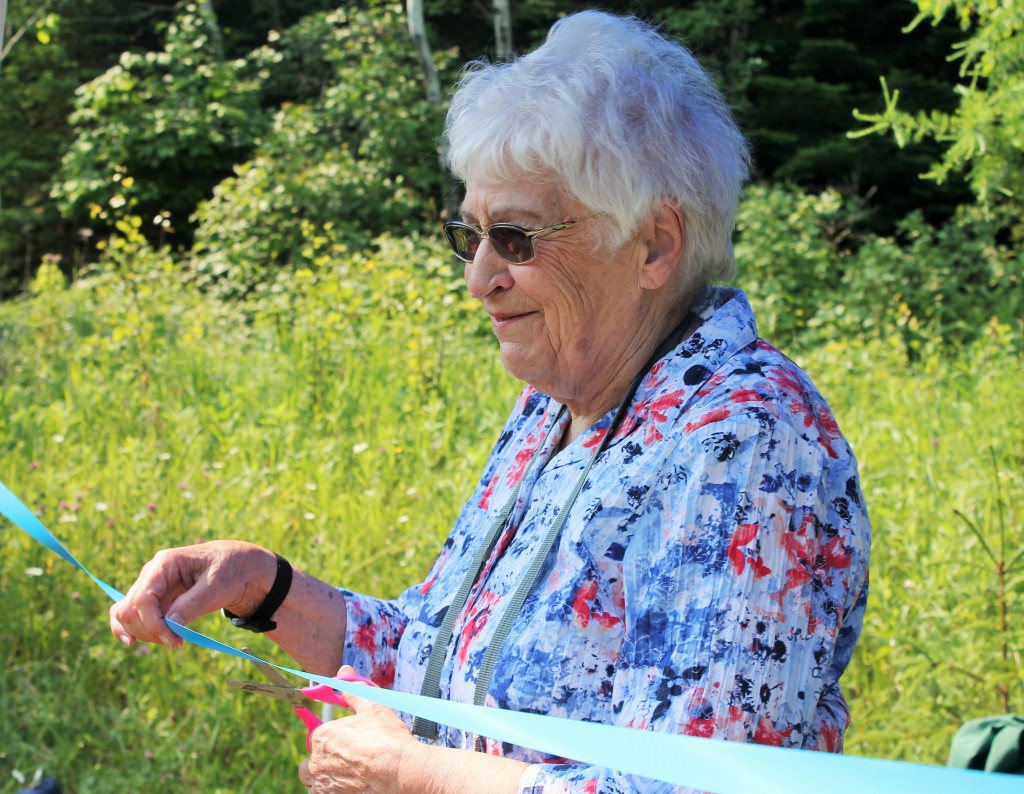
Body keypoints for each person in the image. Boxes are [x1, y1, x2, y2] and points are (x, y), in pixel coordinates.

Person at [109, 10, 871, 793]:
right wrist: (262, 585)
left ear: (654, 244)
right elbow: (440, 659)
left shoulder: (742, 443)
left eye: (516, 238)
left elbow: (702, 786)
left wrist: (415, 774)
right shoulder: (561, 404)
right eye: (468, 235)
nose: (478, 277)